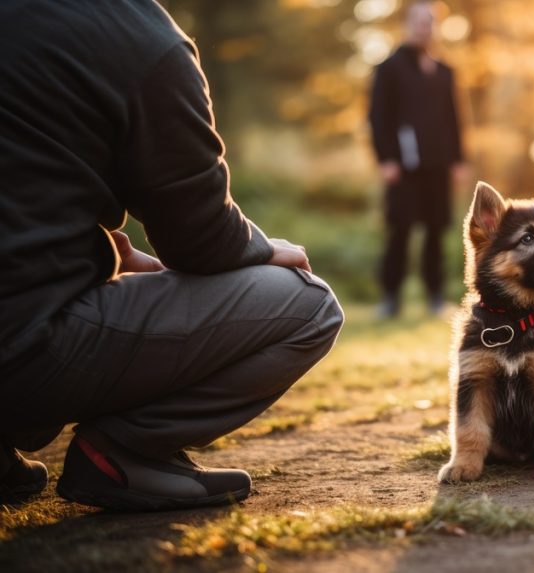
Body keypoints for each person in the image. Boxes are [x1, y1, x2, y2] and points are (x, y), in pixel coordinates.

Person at [0, 0, 343, 510]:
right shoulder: (139, 38)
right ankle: (125, 452)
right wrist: (265, 248)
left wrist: (109, 251)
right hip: (19, 349)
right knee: (308, 307)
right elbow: (200, 238)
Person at [369, 0, 466, 318]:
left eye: (431, 21)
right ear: (407, 24)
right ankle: (390, 299)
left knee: (437, 232)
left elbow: (454, 118)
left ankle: (435, 298)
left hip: (438, 166)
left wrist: (457, 160)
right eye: (419, 21)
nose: (425, 27)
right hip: (403, 167)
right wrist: (385, 158)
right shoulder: (389, 68)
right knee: (400, 230)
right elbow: (377, 116)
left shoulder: (444, 71)